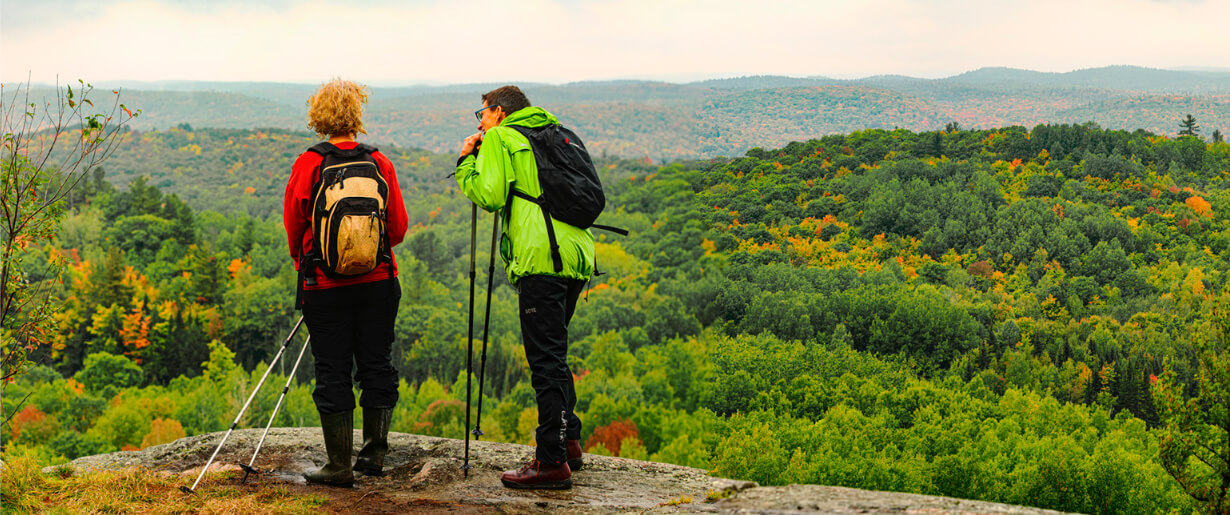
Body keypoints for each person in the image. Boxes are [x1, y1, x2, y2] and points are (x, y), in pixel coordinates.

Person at [455, 85, 592, 490]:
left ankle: (550, 462)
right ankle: (569, 443)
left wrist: (466, 162)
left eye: (481, 113)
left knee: (544, 360)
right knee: (555, 351)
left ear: (498, 112)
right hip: (577, 253)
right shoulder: (555, 132)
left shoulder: (501, 137)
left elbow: (490, 195)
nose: (479, 121)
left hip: (540, 258)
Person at [283, 79, 408, 486]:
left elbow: (294, 225)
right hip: (378, 282)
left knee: (332, 370)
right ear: (357, 116)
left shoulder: (309, 164)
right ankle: (373, 455)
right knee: (377, 365)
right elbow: (399, 229)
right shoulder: (380, 162)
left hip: (325, 286)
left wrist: (309, 260)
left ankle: (339, 466)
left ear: (318, 117)